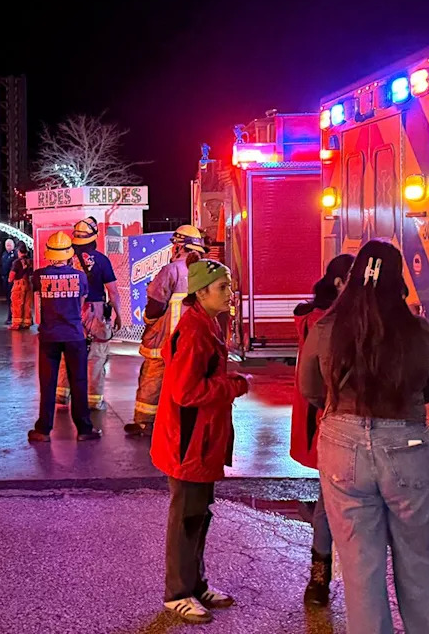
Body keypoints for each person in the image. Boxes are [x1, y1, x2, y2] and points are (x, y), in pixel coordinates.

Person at [299, 240, 429, 634]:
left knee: (360, 570)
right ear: (399, 279)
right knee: (421, 565)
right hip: (408, 448)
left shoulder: (327, 327)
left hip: (341, 448)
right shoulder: (417, 329)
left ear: (350, 279)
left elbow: (311, 389)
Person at [151, 256, 249, 624]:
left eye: (229, 286)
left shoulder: (205, 324)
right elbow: (186, 392)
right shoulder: (195, 331)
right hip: (188, 444)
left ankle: (194, 584)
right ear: (201, 291)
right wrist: (235, 385)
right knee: (187, 518)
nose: (230, 294)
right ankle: (177, 593)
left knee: (198, 515)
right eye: (223, 288)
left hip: (198, 442)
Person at [290, 253, 354, 606]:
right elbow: (315, 385)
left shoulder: (319, 318)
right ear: (340, 284)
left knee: (330, 499)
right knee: (330, 501)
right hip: (333, 420)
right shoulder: (324, 322)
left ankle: (321, 577)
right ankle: (320, 575)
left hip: (333, 419)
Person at [128, 225, 207, 436]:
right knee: (191, 381)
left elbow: (155, 305)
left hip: (167, 341)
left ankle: (144, 422)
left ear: (180, 247)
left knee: (152, 379)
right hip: (196, 341)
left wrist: (148, 320)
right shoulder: (208, 270)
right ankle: (190, 424)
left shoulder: (171, 270)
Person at [27, 232, 101, 442]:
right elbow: (83, 301)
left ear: (49, 255)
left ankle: (43, 430)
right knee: (78, 382)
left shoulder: (39, 276)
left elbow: (35, 296)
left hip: (49, 336)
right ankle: (84, 430)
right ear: (69, 254)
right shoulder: (80, 277)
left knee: (47, 383)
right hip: (74, 335)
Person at [56, 218, 123, 411]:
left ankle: (61, 397)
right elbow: (113, 292)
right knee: (96, 356)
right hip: (95, 312)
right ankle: (93, 401)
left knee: (67, 353)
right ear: (94, 237)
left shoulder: (65, 260)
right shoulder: (101, 260)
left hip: (68, 311)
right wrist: (118, 315)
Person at [8, 241, 34, 329]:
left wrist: (10, 280)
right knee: (27, 305)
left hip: (19, 284)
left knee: (17, 304)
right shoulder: (30, 261)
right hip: (29, 284)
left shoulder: (17, 262)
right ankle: (27, 323)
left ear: (19, 251)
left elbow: (12, 275)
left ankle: (16, 324)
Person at [1, 238, 19, 325]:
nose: (8, 247)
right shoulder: (4, 254)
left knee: (13, 299)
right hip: (5, 278)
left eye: (9, 245)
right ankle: (10, 316)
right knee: (8, 299)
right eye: (6, 245)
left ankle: (12, 316)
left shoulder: (15, 254)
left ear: (13, 245)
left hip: (12, 279)